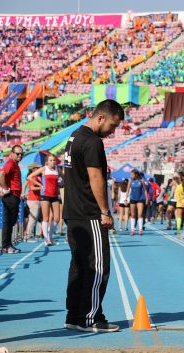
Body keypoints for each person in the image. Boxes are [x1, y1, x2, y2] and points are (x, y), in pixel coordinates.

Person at [62, 99, 123, 332]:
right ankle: (90, 318)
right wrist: (105, 211)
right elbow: (96, 178)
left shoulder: (74, 136)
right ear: (100, 118)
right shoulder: (93, 142)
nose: (112, 132)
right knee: (98, 267)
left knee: (78, 266)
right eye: (112, 126)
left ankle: (74, 315)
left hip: (73, 212)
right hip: (89, 214)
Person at [27, 154, 61, 246]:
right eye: (50, 160)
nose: (53, 162)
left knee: (57, 218)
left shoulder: (57, 169)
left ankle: (50, 237)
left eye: (54, 160)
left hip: (55, 196)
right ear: (47, 162)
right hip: (45, 195)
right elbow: (29, 177)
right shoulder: (44, 169)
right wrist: (40, 185)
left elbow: (60, 181)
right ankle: (46, 239)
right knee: (45, 218)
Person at [0, 144, 23, 254]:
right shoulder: (11, 163)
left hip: (15, 196)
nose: (20, 155)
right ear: (12, 154)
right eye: (18, 153)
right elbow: (1, 175)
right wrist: (6, 188)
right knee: (8, 222)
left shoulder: (15, 164)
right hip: (11, 196)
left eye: (22, 154)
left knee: (11, 222)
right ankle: (6, 246)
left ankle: (8, 245)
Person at [23, 162, 42, 242]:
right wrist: (42, 188)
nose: (39, 169)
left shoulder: (34, 176)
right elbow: (32, 188)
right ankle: (28, 236)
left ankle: (27, 235)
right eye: (38, 168)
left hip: (33, 199)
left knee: (32, 218)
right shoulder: (34, 177)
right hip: (34, 200)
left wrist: (24, 193)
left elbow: (25, 185)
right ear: (34, 169)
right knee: (32, 219)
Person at [126, 169, 149, 236]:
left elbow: (145, 190)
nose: (131, 176)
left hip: (140, 199)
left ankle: (140, 230)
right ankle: (132, 230)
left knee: (140, 214)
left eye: (132, 174)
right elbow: (127, 190)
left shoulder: (141, 181)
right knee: (133, 214)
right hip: (132, 198)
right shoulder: (130, 180)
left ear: (136, 175)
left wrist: (147, 199)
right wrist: (125, 199)